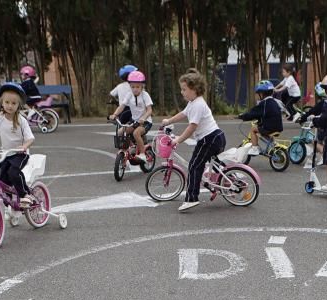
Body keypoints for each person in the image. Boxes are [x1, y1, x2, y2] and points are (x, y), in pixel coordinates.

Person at [161, 69, 225, 212]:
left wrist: (178, 140)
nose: (182, 92)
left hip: (209, 139)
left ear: (194, 89)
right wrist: (168, 121)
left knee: (194, 166)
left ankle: (191, 199)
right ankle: (225, 180)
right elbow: (183, 114)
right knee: (209, 165)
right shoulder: (193, 102)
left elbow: (191, 127)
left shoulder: (198, 105)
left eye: (184, 89)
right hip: (215, 137)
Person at [108, 70, 154, 162]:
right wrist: (115, 114)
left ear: (142, 86)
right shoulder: (129, 95)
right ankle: (132, 146)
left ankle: (142, 154)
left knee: (136, 133)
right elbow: (122, 106)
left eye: (137, 87)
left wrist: (143, 118)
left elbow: (149, 110)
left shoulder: (145, 95)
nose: (135, 89)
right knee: (121, 132)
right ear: (130, 86)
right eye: (132, 87)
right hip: (134, 120)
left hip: (145, 122)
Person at [237, 80, 284, 154]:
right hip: (278, 127)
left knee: (253, 129)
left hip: (270, 127)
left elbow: (253, 113)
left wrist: (243, 116)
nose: (257, 96)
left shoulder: (264, 103)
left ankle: (255, 148)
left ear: (261, 94)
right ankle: (273, 145)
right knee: (262, 130)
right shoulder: (274, 102)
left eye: (258, 94)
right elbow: (268, 114)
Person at [109, 65, 137, 142]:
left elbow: (111, 94)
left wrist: (116, 100)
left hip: (122, 110)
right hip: (133, 109)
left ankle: (122, 137)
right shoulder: (135, 86)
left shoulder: (119, 86)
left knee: (121, 124)